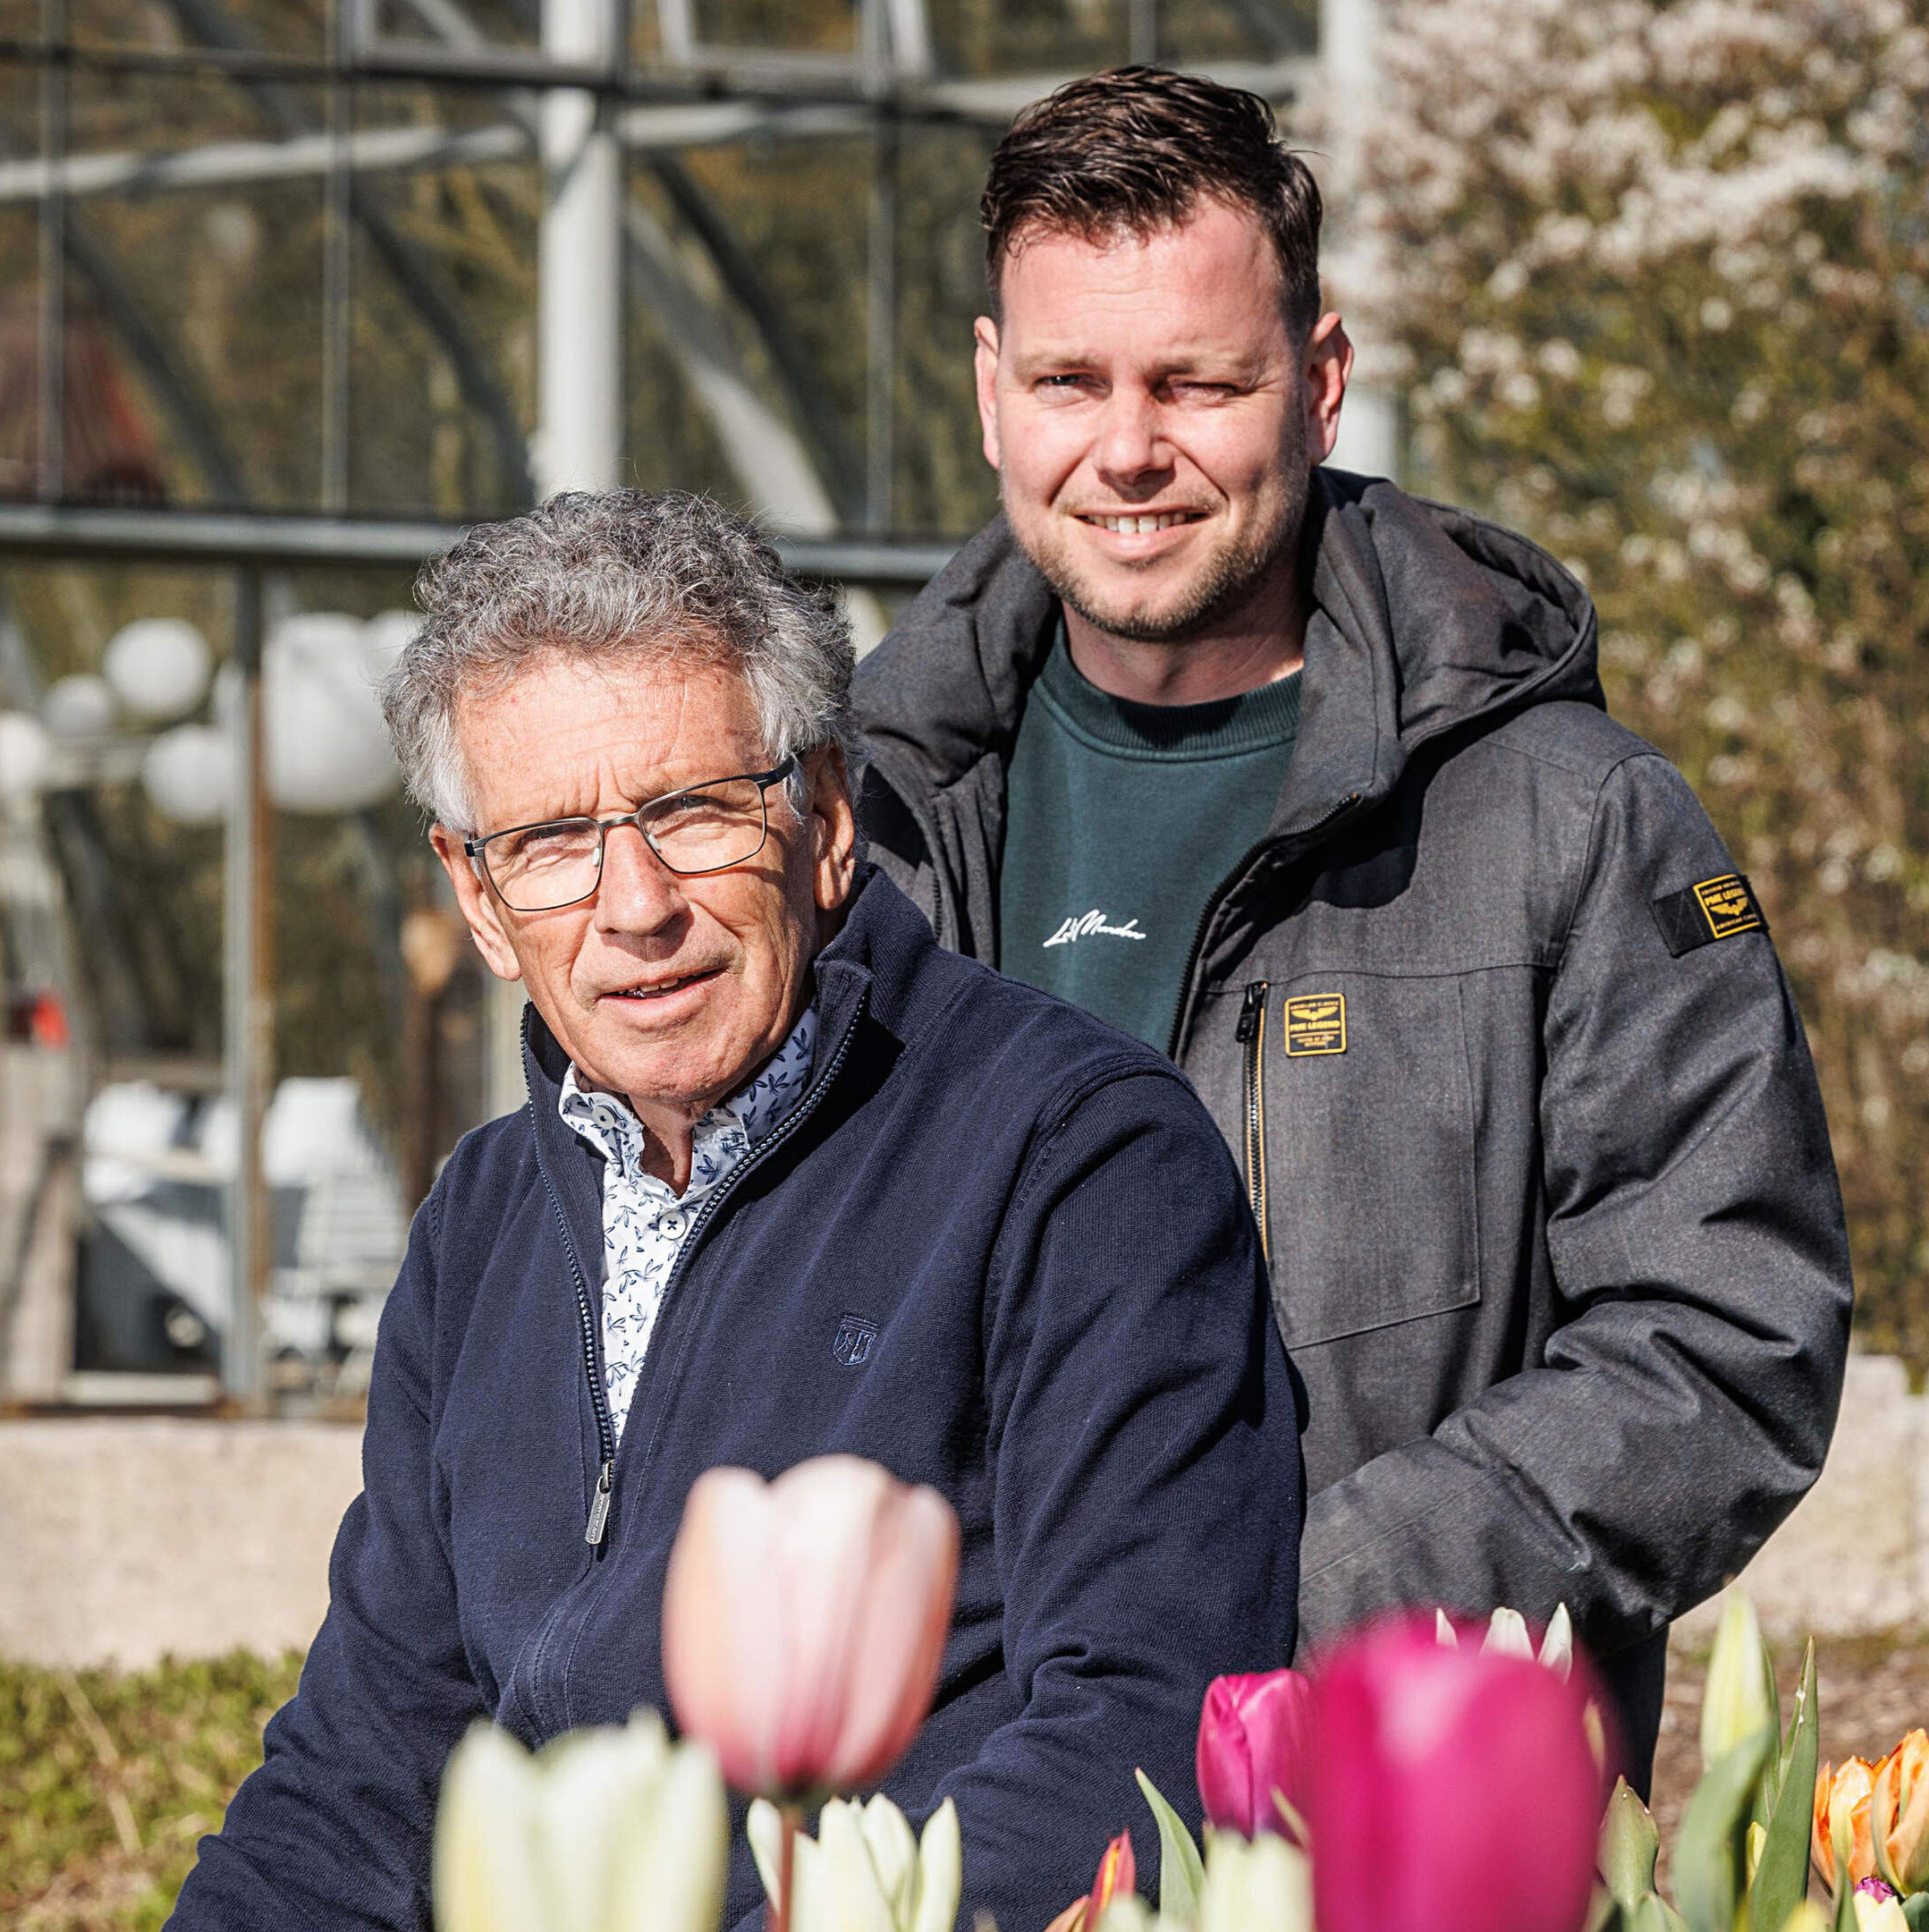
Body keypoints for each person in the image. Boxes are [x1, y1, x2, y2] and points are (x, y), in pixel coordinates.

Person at [851, 66, 1854, 1773]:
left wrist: (1281, 1610)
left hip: (1395, 1797)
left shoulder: (1572, 822)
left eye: (1199, 383)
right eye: (1070, 380)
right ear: (987, 388)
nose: (1127, 450)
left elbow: (1726, 1332)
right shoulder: (861, 831)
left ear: (1319, 385)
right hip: (942, 1805)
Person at [169, 491, 1304, 1932]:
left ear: (824, 819)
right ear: (477, 896)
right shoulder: (484, 1224)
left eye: (692, 812)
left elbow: (1142, 1726)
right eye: (552, 842)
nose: (631, 905)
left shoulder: (1078, 1158)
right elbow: (370, 1768)